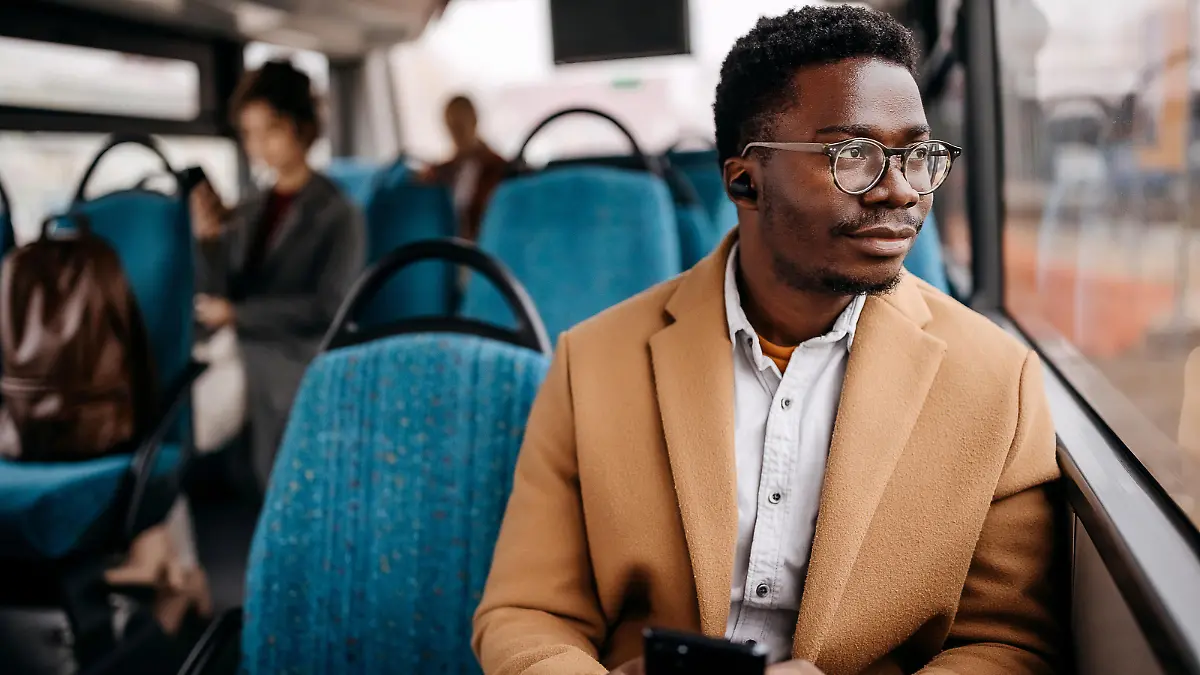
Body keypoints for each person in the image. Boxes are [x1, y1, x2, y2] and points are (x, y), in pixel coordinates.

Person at [472, 7, 1065, 675]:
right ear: (743, 179)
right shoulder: (593, 363)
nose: (901, 191)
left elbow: (1009, 645)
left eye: (918, 155)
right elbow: (528, 613)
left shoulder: (998, 379)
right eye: (855, 156)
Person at [189, 60, 365, 489]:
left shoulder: (339, 213)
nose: (258, 146)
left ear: (300, 128)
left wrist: (237, 315)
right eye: (249, 134)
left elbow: (329, 307)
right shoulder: (249, 208)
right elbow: (223, 289)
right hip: (242, 339)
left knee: (199, 406)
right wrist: (208, 242)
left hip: (296, 347)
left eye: (270, 131)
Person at [417, 95, 508, 242]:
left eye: (460, 125)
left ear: (474, 121)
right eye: (451, 127)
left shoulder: (500, 169)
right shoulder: (441, 172)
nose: (456, 134)